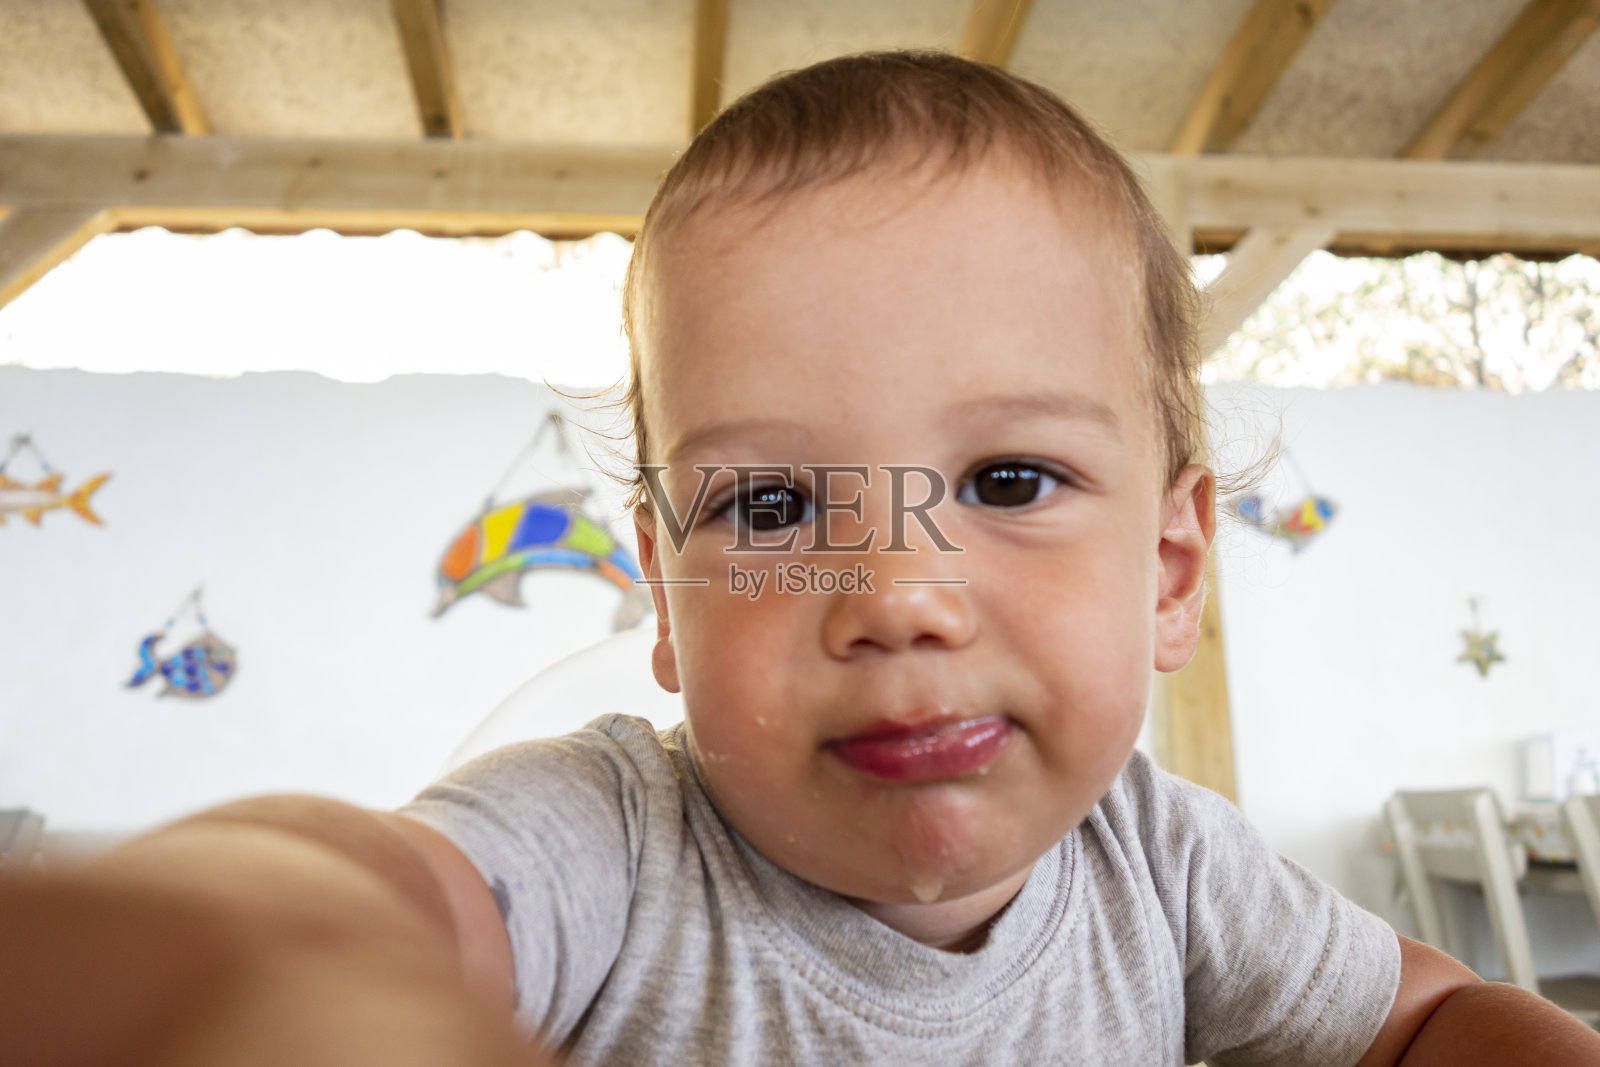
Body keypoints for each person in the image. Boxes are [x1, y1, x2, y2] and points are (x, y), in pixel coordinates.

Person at [4, 51, 1598, 1067]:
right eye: (768, 511)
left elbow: (1430, 1017)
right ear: (673, 608)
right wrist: (249, 934)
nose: (898, 596)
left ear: (1174, 570)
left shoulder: (1167, 868)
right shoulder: (612, 849)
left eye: (1011, 476)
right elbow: (389, 896)